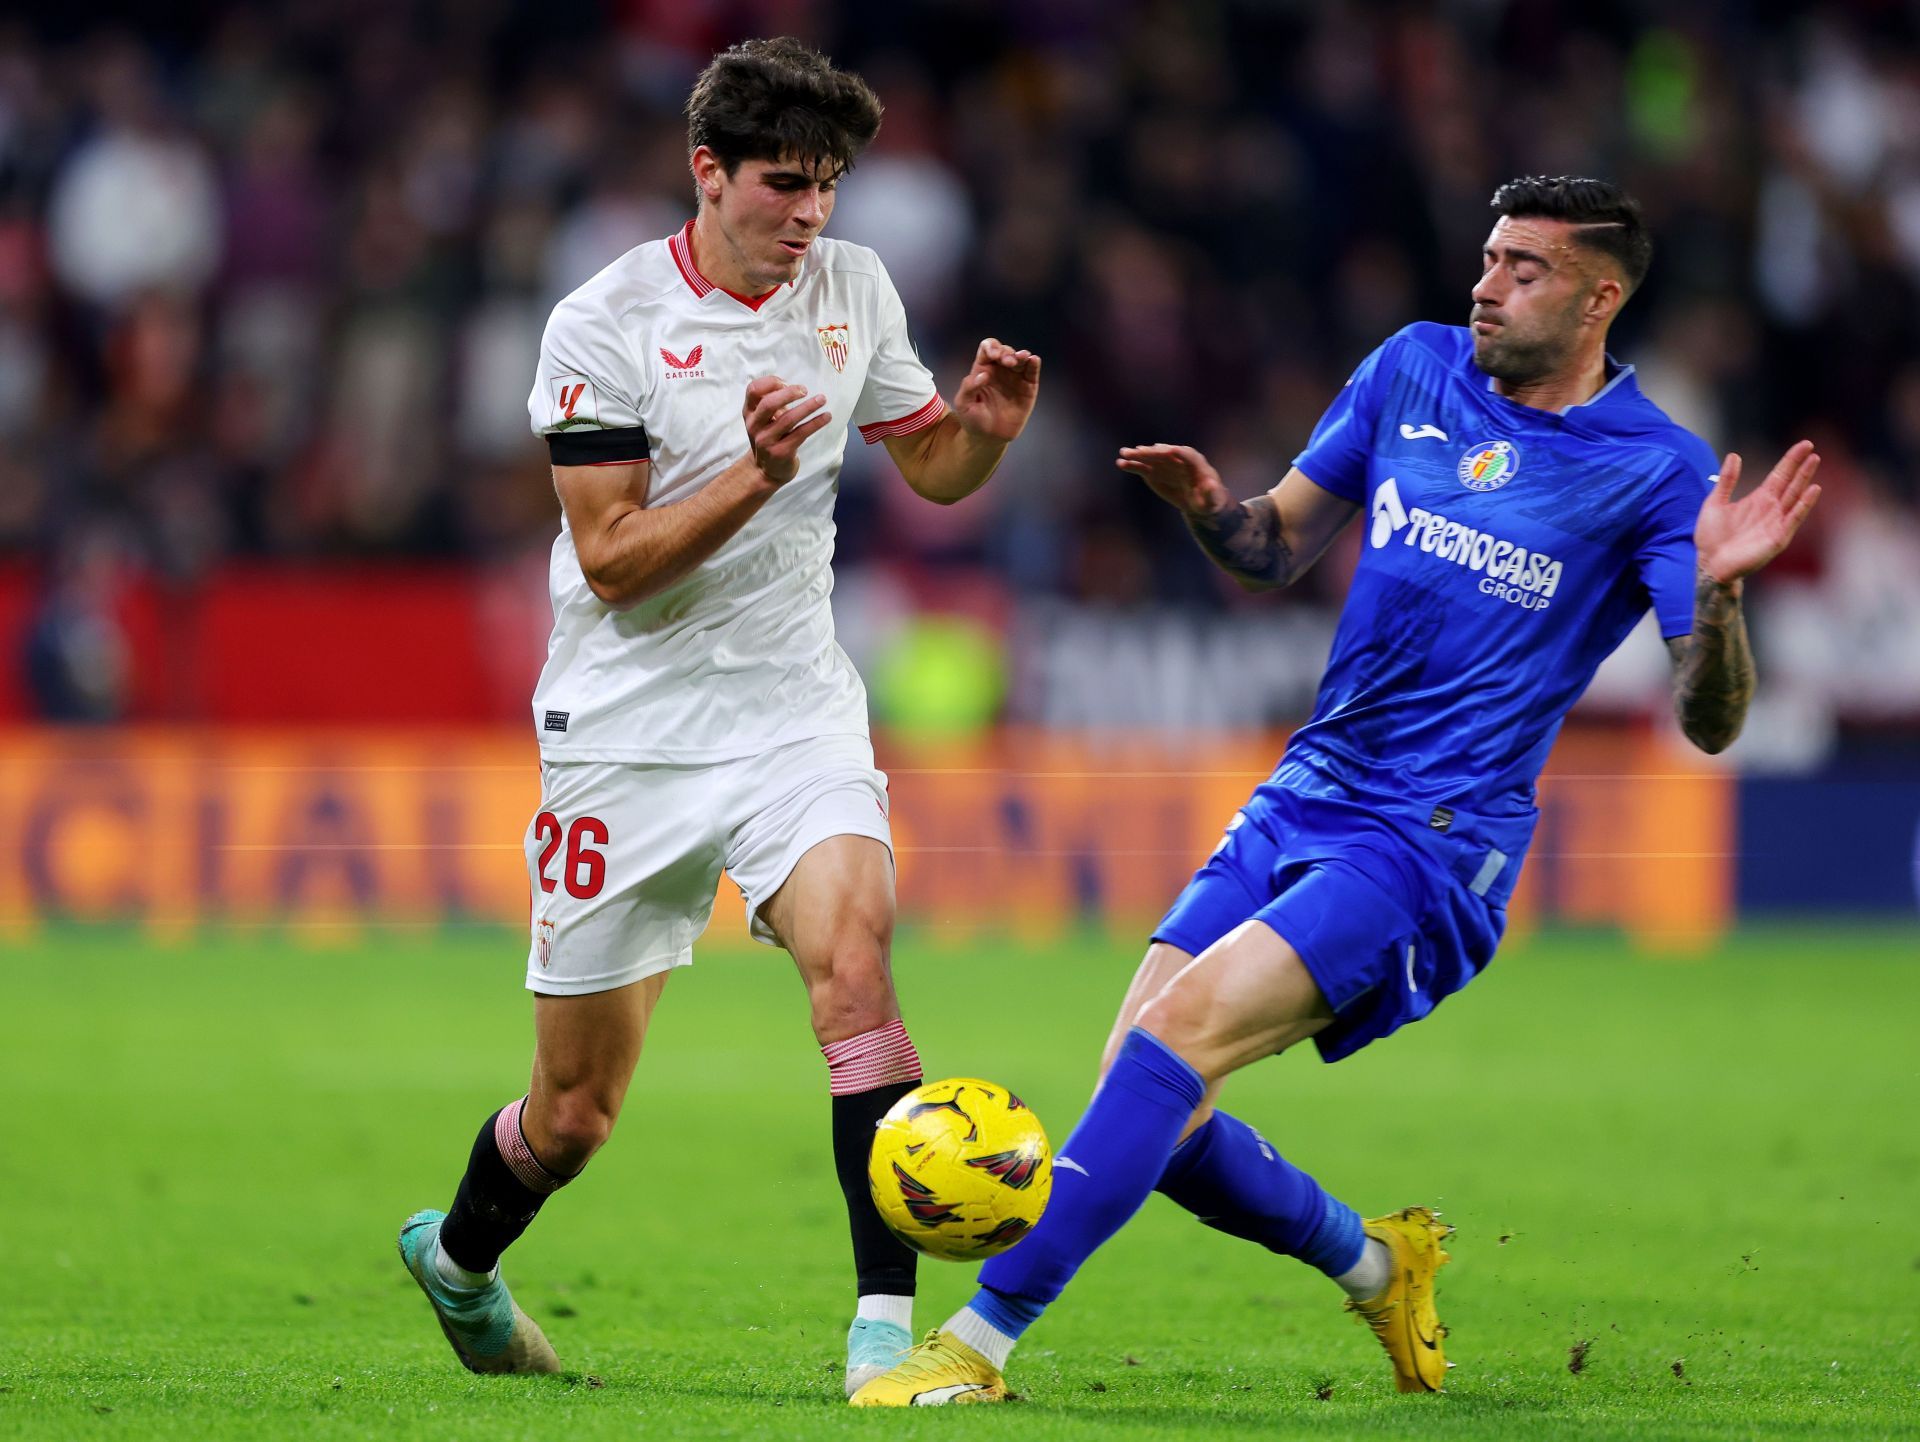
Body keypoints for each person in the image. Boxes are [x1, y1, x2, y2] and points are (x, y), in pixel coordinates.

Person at [850, 176, 1819, 1405]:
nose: (1486, 281)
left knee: (1169, 1047)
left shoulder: (1657, 471)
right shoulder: (1412, 367)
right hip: (1310, 784)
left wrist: (1723, 595)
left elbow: (1713, 715)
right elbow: (1275, 545)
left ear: (1599, 296)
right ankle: (1376, 1261)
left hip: (1431, 837)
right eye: (1487, 256)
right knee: (1147, 1092)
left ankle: (976, 1344)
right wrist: (1212, 512)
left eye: (1524, 265)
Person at [395, 37, 1040, 1397]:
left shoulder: (854, 286)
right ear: (709, 172)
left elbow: (927, 468)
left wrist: (977, 431)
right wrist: (753, 475)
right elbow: (616, 562)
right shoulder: (602, 322)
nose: (812, 214)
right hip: (626, 736)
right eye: (786, 184)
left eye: (830, 186)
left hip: (791, 712)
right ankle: (458, 1260)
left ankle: (885, 1334)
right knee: (573, 1116)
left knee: (855, 965)